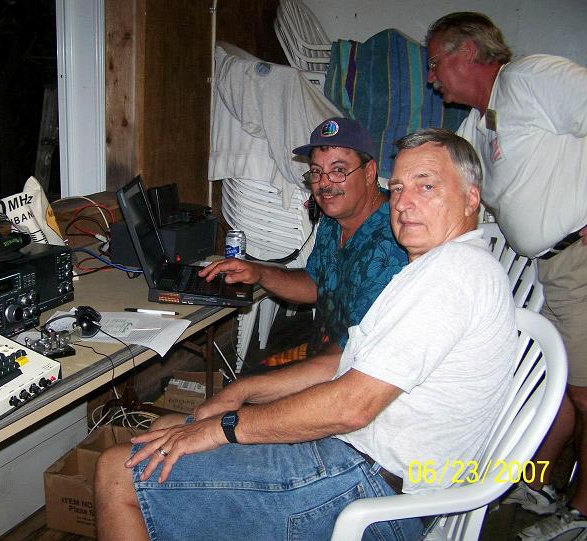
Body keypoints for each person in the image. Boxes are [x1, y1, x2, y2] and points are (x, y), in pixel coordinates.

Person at [93, 129, 517, 541]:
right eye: (400, 188)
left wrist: (226, 426)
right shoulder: (434, 267)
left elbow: (351, 405)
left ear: (471, 197)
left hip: (369, 490)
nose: (404, 203)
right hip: (356, 459)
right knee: (170, 428)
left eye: (426, 187)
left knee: (117, 472)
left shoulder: (452, 274)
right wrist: (240, 393)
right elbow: (345, 362)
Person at [425, 12, 587, 540]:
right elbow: (459, 187)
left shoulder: (530, 78)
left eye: (436, 62)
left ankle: (581, 513)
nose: (431, 77)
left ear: (469, 51)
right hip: (549, 268)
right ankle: (534, 484)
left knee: (585, 394)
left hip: (579, 259)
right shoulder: (478, 124)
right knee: (552, 389)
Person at [201, 117, 407, 358]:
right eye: (317, 172)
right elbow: (315, 284)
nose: (324, 183)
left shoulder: (395, 239)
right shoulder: (332, 218)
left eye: (338, 170)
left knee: (250, 382)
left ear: (369, 172)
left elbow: (356, 352)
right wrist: (258, 272)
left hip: (358, 368)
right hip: (323, 357)